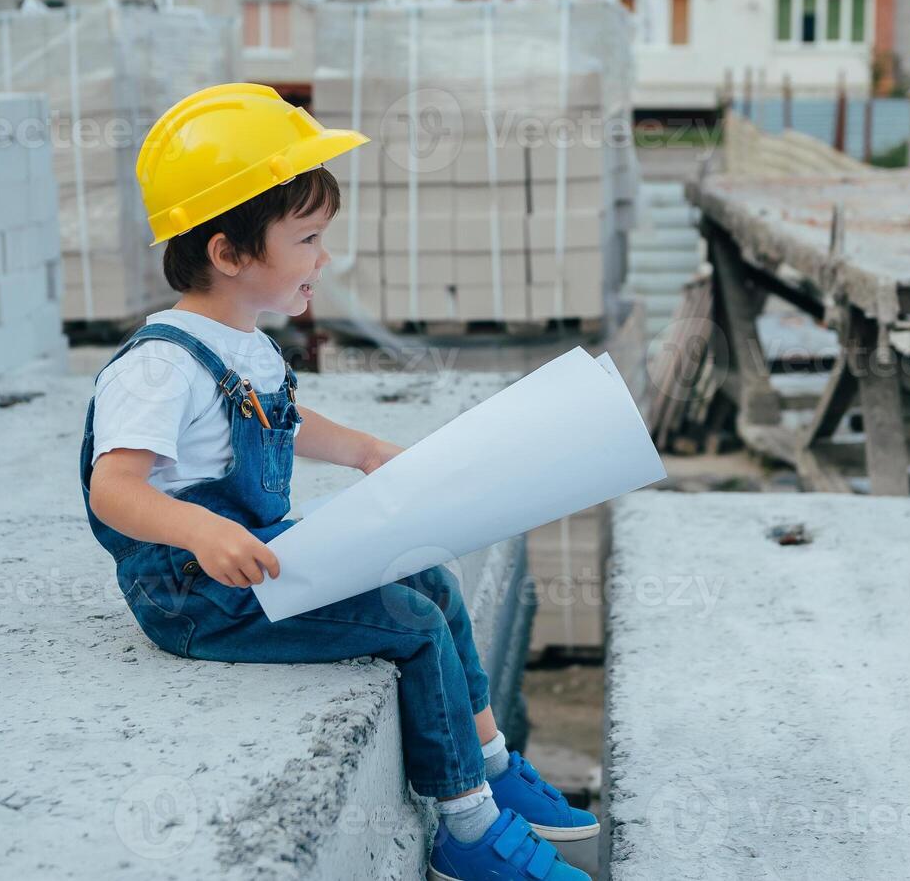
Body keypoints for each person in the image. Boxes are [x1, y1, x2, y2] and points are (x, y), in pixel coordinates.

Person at [80, 84, 597, 880]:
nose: (324, 258)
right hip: (195, 595)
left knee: (428, 569)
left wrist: (360, 451)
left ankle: (493, 765)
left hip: (252, 567)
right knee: (413, 626)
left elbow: (279, 419)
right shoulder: (158, 366)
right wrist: (200, 530)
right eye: (308, 238)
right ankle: (467, 830)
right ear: (228, 252)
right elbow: (113, 488)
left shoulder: (239, 341)